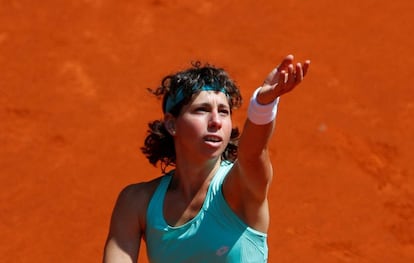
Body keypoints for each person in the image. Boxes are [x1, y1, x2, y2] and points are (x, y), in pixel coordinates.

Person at [103, 54, 310, 262]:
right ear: (172, 124)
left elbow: (253, 153)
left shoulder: (242, 186)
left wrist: (263, 105)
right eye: (202, 110)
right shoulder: (136, 202)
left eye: (223, 111)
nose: (216, 121)